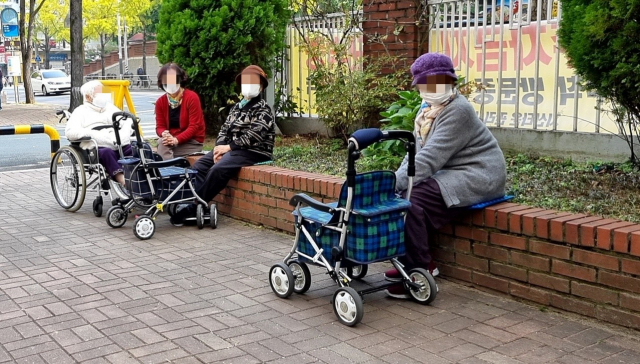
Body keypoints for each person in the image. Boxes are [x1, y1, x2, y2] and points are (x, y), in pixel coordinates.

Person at [384, 53, 507, 299]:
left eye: (438, 82)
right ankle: (409, 262)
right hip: (451, 171)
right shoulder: (427, 110)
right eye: (425, 84)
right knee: (403, 193)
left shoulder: (458, 110)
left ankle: (421, 269)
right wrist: (395, 181)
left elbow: (430, 158)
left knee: (411, 201)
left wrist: (395, 184)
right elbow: (415, 153)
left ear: (450, 82)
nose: (431, 89)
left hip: (479, 174)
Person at [171, 65, 275, 226]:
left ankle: (196, 205)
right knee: (198, 166)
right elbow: (224, 130)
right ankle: (193, 199)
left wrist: (229, 148)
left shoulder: (264, 110)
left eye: (253, 82)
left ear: (261, 86)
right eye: (245, 82)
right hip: (231, 149)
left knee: (218, 170)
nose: (248, 85)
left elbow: (254, 135)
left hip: (253, 151)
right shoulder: (236, 108)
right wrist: (219, 148)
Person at [65, 80, 133, 195]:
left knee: (134, 149)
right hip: (96, 146)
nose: (104, 95)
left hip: (117, 142)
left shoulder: (110, 108)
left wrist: (124, 133)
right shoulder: (81, 111)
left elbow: (127, 120)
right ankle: (123, 181)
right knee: (107, 153)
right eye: (99, 93)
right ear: (88, 96)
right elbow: (70, 132)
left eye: (104, 92)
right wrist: (92, 134)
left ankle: (140, 178)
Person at [154, 63, 205, 160]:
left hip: (191, 142)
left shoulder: (192, 97)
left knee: (161, 150)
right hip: (169, 142)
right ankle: (170, 171)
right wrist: (164, 133)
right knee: (162, 143)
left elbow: (194, 126)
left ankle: (168, 172)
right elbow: (159, 127)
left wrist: (176, 140)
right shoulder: (160, 102)